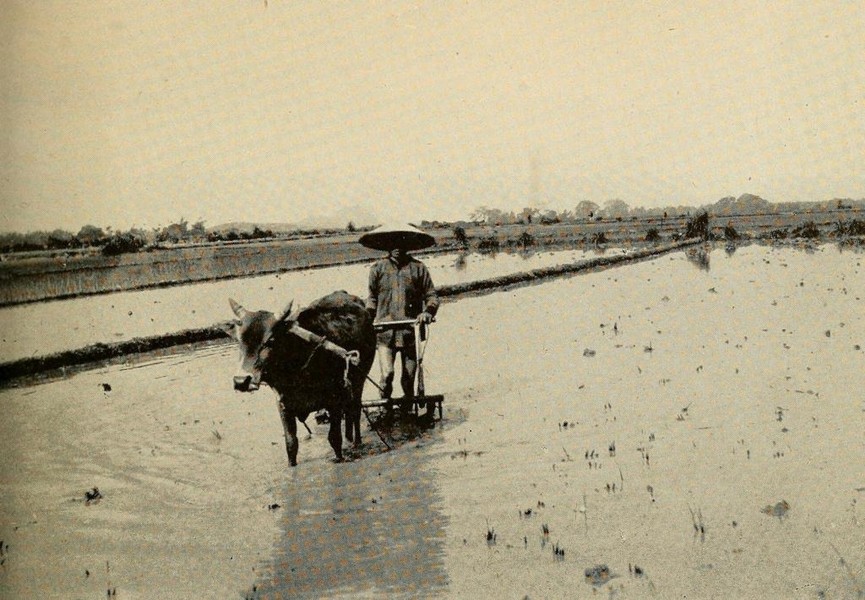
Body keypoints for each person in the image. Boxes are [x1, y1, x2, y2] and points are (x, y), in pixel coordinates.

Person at [360, 223, 439, 412]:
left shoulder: (418, 269)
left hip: (410, 331)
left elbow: (432, 296)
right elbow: (371, 297)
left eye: (401, 243)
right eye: (392, 243)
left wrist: (427, 312)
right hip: (384, 332)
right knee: (387, 374)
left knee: (408, 379)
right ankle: (385, 408)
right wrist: (369, 317)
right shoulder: (377, 269)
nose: (397, 248)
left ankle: (408, 415)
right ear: (387, 246)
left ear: (408, 245)